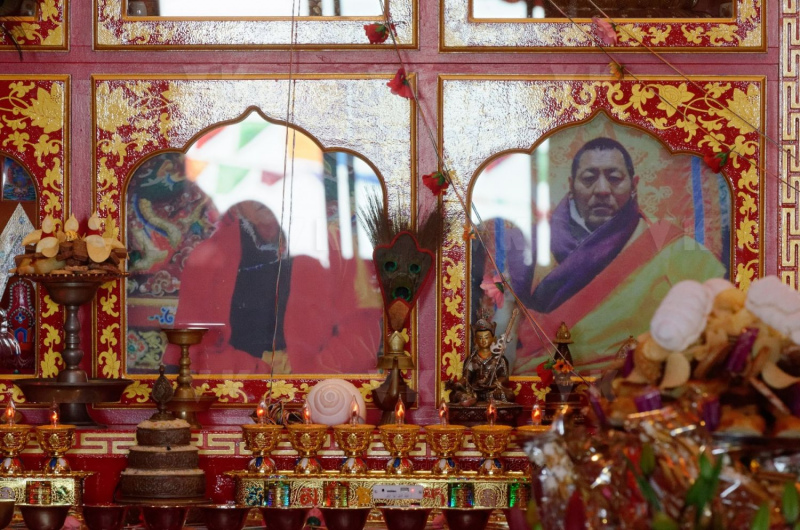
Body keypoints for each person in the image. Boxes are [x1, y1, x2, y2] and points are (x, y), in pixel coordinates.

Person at [497, 137, 726, 373]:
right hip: (542, 383)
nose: (602, 190)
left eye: (615, 178)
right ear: (572, 185)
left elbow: (722, 312)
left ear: (634, 185)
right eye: (589, 179)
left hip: (635, 382)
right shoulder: (531, 245)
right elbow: (504, 330)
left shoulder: (667, 244)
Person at [168, 200, 292, 374]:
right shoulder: (208, 259)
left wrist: (298, 360)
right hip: (240, 377)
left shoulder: (320, 248)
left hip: (307, 373)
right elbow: (194, 350)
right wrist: (258, 366)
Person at [448, 309, 518, 405]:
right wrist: (457, 384)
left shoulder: (500, 359)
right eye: (480, 338)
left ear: (493, 339)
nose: (483, 341)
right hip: (474, 392)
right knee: (454, 394)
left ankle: (475, 400)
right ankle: (470, 399)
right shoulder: (472, 359)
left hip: (492, 392)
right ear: (475, 340)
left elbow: (504, 377)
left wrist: (493, 385)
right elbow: (466, 378)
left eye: (486, 337)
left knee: (509, 395)